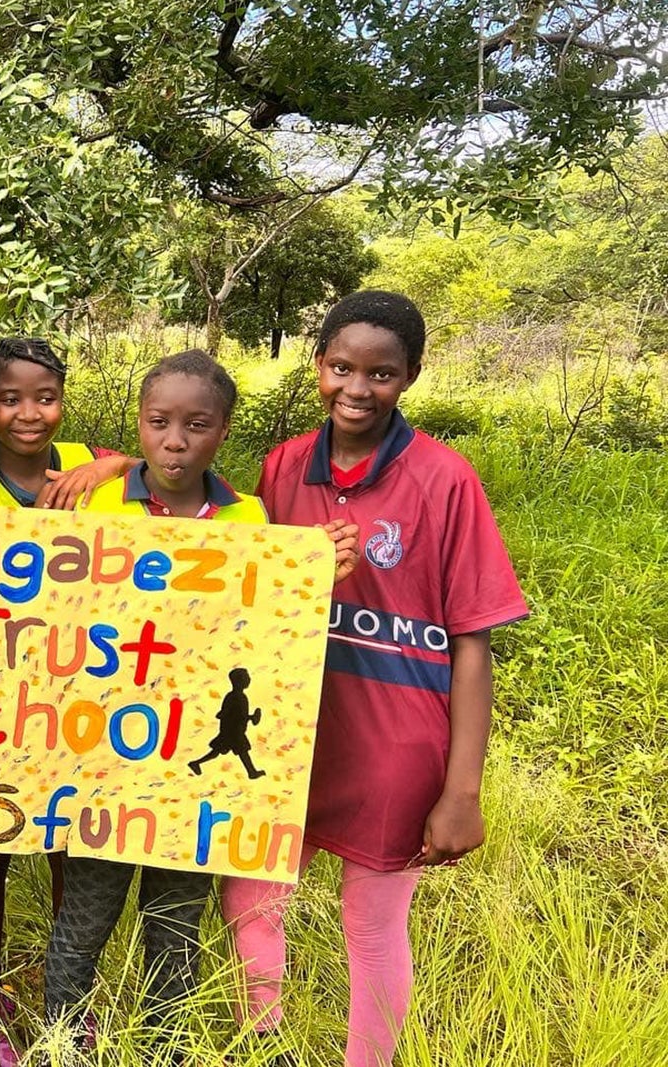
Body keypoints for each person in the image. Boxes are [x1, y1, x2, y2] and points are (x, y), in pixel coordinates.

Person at [220, 292, 528, 1067]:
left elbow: (472, 641)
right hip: (290, 732)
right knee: (251, 895)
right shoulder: (285, 465)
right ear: (317, 364)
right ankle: (264, 1043)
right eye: (341, 368)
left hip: (395, 744)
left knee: (373, 921)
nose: (357, 388)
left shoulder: (445, 479)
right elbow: (238, 572)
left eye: (381, 374)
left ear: (411, 375)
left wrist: (462, 792)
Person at [46, 349, 358, 1061]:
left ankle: (166, 1051)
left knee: (174, 931)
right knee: (83, 924)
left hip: (195, 777)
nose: (175, 441)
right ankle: (65, 1049)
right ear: (139, 423)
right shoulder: (97, 504)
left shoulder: (248, 516)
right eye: (158, 423)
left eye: (196, 425)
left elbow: (267, 625)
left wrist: (315, 576)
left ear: (223, 431)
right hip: (105, 766)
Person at [0, 336, 133, 1065]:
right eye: (10, 399)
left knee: (73, 852)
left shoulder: (98, 471)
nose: (29, 413)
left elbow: (169, 470)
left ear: (63, 399)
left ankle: (71, 1004)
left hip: (83, 704)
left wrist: (115, 464)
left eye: (46, 397)